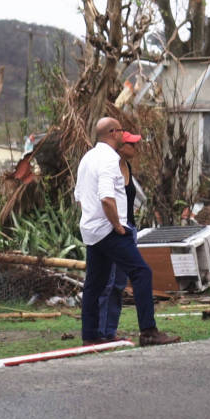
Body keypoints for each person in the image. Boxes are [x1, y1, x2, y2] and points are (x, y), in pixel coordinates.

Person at [74, 117, 180, 347]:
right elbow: (107, 199)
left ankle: (91, 336)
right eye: (121, 130)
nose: (124, 135)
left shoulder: (88, 157)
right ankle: (149, 331)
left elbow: (80, 198)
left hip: (92, 230)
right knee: (141, 272)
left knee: (95, 283)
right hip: (110, 229)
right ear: (113, 133)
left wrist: (95, 220)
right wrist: (118, 226)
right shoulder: (110, 159)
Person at [97, 130, 140, 340]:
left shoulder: (127, 167)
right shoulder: (108, 167)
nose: (135, 148)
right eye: (131, 144)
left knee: (120, 283)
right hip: (114, 231)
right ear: (120, 147)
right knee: (108, 282)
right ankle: (100, 331)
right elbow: (105, 200)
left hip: (129, 229)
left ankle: (110, 331)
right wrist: (117, 227)